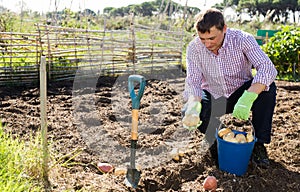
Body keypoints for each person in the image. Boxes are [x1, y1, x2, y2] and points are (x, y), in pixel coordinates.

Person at [182, 8, 277, 168]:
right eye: (202, 39)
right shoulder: (194, 48)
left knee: (268, 89)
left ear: (224, 28)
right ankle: (220, 139)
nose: (207, 44)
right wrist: (193, 107)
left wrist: (249, 97)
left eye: (211, 38)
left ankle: (259, 145)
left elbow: (267, 68)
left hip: (241, 93)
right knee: (189, 110)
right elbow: (193, 82)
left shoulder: (242, 39)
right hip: (214, 95)